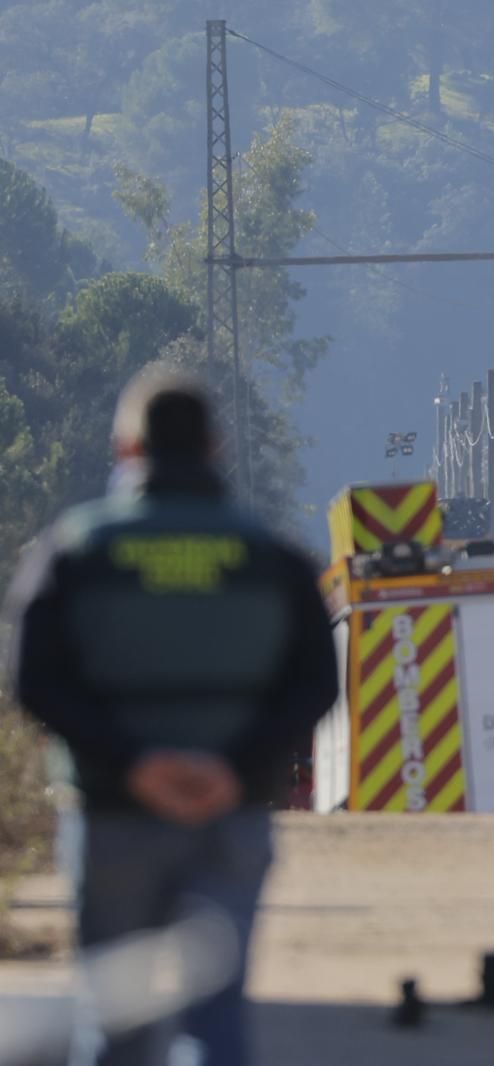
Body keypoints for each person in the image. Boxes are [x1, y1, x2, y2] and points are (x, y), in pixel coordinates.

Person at [5, 365, 339, 1066]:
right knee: (216, 1019)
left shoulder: (74, 550)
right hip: (232, 812)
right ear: (216, 447)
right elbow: (315, 683)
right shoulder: (273, 558)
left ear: (128, 449)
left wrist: (134, 765)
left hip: (113, 817)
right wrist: (235, 768)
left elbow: (34, 679)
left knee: (115, 1018)